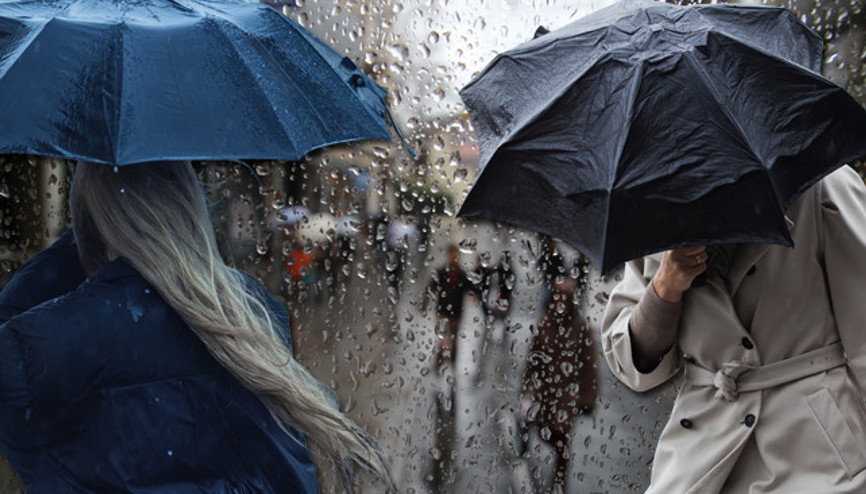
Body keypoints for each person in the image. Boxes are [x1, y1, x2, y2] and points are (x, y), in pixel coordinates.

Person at [0, 161, 392, 493]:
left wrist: (88, 226)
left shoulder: (37, 346)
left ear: (93, 221)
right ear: (191, 207)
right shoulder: (253, 311)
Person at [601, 165, 866, 493]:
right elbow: (630, 364)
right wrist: (665, 288)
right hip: (701, 454)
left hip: (819, 452)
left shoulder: (819, 183)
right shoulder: (650, 207)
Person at [521, 277, 597, 491]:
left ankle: (558, 483)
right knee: (544, 431)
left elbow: (589, 367)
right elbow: (532, 358)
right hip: (544, 393)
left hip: (567, 397)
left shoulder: (581, 328)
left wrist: (587, 398)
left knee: (562, 443)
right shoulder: (544, 323)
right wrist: (526, 387)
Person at [423, 244, 480, 493]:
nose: (454, 258)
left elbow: (472, 288)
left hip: (455, 318)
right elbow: (430, 287)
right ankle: (439, 368)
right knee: (441, 346)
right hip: (443, 317)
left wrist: (476, 295)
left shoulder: (462, 275)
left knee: (453, 346)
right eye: (452, 254)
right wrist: (427, 303)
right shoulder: (442, 271)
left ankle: (451, 367)